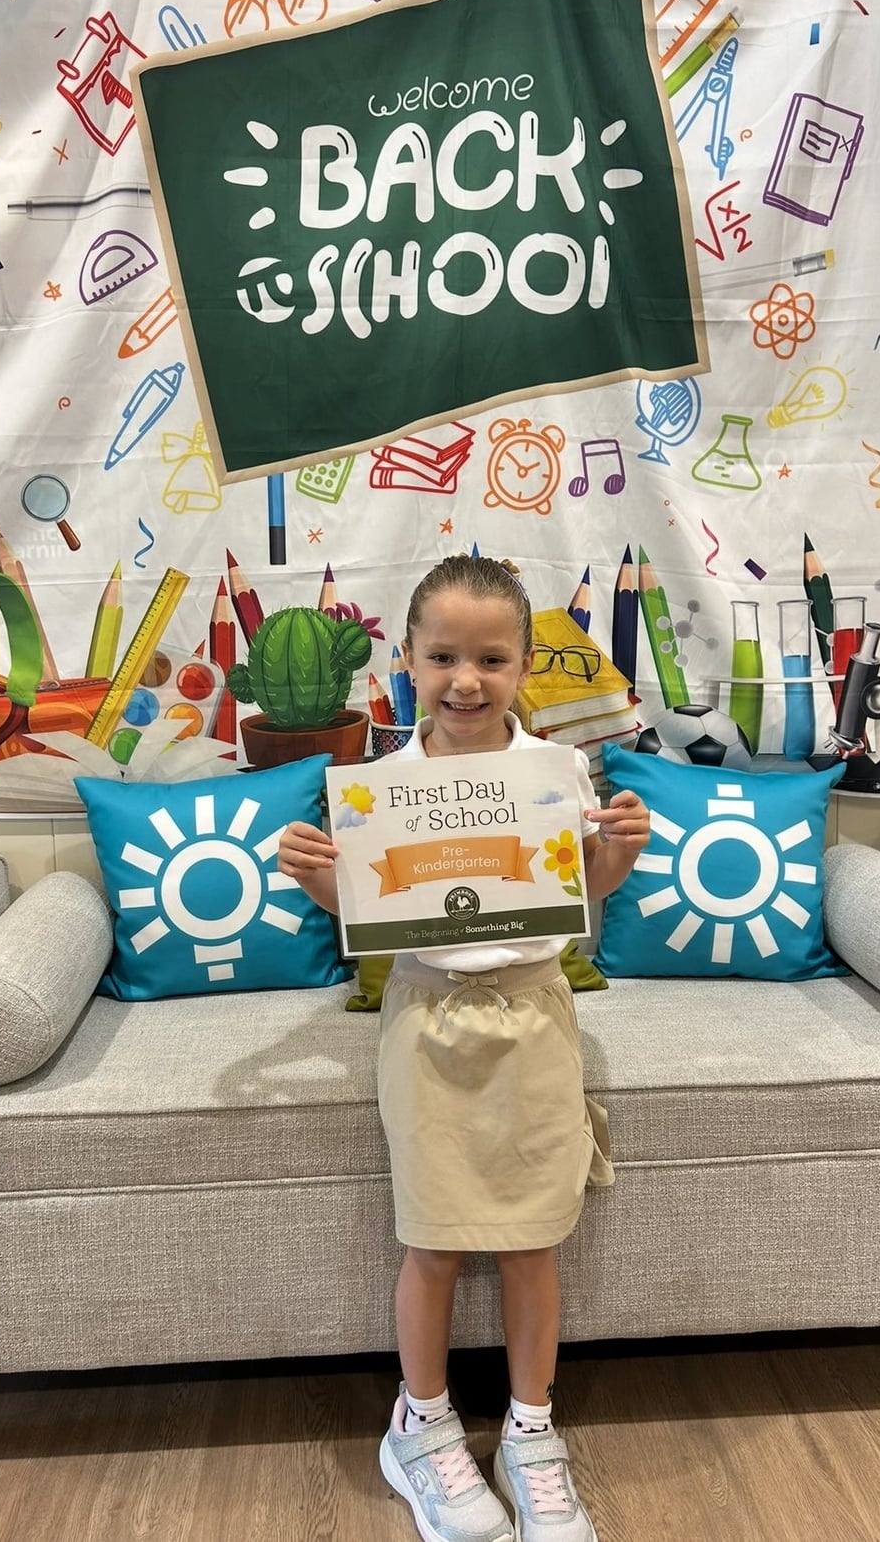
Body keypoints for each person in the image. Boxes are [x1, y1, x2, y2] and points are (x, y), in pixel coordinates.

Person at [278, 555, 651, 1542]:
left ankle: (531, 1431)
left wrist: (618, 851)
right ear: (407, 658)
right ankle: (423, 1425)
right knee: (434, 1241)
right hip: (427, 1024)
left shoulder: (557, 774)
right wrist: (316, 875)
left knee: (533, 1240)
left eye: (491, 658)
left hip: (533, 1020)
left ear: (524, 665)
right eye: (443, 656)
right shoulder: (377, 791)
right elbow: (371, 912)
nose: (466, 680)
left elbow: (581, 890)